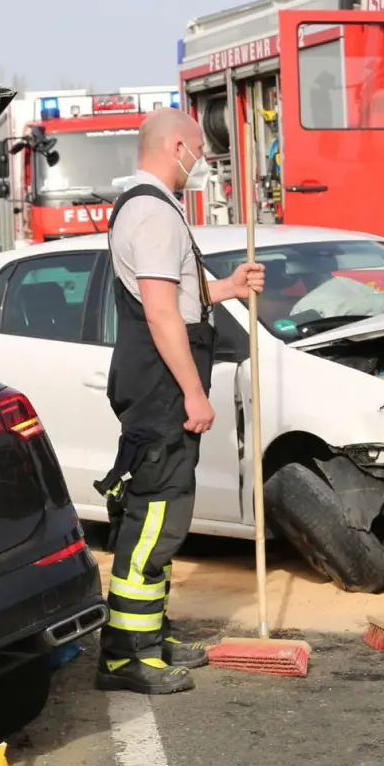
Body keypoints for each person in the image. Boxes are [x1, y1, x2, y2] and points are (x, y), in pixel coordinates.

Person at [93, 108, 264, 696]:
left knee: (161, 517)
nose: (202, 162)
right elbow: (162, 313)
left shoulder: (149, 208)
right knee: (153, 521)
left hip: (156, 385)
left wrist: (228, 287)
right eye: (199, 150)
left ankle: (150, 636)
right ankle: (126, 656)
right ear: (175, 147)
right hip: (162, 390)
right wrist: (194, 391)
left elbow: (181, 297)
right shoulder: (153, 213)